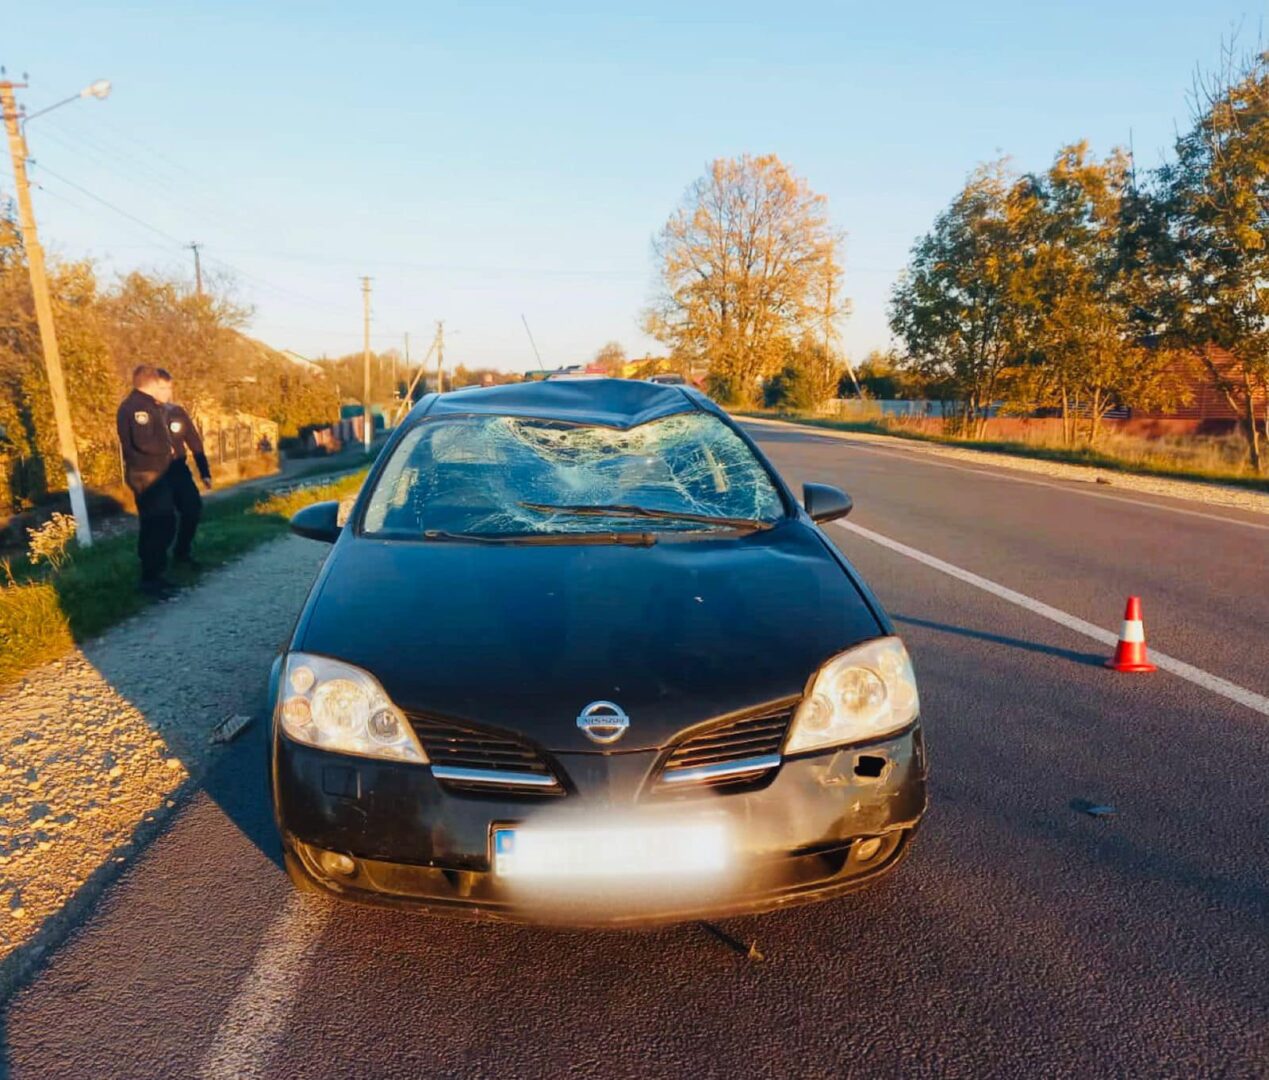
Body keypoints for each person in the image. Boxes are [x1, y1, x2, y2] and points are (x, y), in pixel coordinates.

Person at [116, 365, 177, 596]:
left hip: (151, 472)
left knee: (159, 524)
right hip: (148, 473)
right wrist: (168, 449)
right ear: (150, 383)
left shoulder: (144, 405)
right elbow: (143, 442)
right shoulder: (138, 407)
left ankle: (155, 574)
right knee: (158, 525)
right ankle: (150, 578)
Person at [156, 369, 212, 567]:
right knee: (164, 518)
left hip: (178, 468)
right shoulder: (142, 413)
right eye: (161, 388)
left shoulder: (177, 412)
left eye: (168, 388)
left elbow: (194, 441)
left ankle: (182, 551)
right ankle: (157, 562)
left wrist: (204, 472)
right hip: (156, 472)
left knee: (192, 508)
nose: (166, 392)